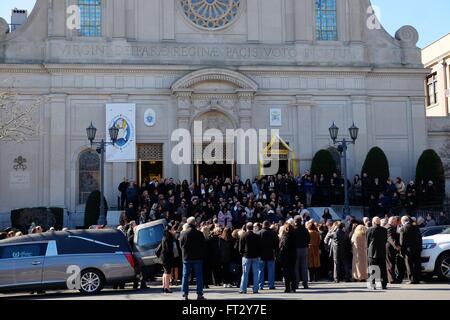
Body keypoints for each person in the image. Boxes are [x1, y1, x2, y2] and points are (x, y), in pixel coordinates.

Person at [179, 217, 206, 300]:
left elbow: (181, 246)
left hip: (187, 257)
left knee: (185, 276)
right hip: (197, 257)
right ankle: (199, 294)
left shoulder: (183, 233)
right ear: (194, 223)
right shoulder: (199, 233)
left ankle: (185, 293)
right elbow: (203, 246)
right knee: (199, 276)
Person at [239, 222, 261, 294]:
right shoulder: (257, 236)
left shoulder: (243, 235)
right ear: (252, 228)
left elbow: (240, 248)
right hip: (255, 256)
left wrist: (242, 254)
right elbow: (259, 247)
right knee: (255, 274)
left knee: (245, 274)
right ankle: (255, 289)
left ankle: (243, 289)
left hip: (246, 256)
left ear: (246, 227)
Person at [399, 216, 423, 284]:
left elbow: (402, 241)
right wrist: (420, 248)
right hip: (417, 248)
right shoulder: (416, 227)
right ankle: (417, 279)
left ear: (403, 221)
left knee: (409, 265)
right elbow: (420, 238)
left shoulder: (403, 228)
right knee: (417, 264)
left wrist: (401, 251)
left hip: (408, 250)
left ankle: (411, 279)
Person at [366, 217, 388, 289]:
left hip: (372, 251)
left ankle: (372, 284)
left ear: (374, 222)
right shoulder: (384, 230)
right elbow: (385, 240)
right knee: (383, 269)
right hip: (381, 251)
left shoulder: (369, 230)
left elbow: (367, 241)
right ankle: (384, 284)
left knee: (372, 268)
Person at [258, 220, 279, 290]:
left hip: (261, 254)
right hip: (270, 253)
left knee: (260, 270)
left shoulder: (259, 233)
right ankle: (271, 285)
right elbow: (276, 244)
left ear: (263, 225)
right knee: (271, 270)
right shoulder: (273, 233)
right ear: (269, 225)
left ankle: (260, 285)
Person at [279, 223, 297, 293]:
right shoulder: (295, 235)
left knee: (286, 272)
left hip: (286, 256)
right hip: (293, 255)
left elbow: (282, 247)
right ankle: (293, 287)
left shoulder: (284, 236)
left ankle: (287, 288)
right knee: (292, 271)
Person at [294, 215, 310, 289]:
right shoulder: (305, 229)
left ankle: (296, 283)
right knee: (304, 268)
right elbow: (308, 239)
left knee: (296, 268)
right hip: (304, 249)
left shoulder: (294, 230)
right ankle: (305, 284)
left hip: (296, 249)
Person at [386, 216, 402, 284]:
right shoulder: (389, 227)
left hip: (390, 247)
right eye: (395, 222)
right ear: (392, 222)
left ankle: (391, 278)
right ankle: (392, 279)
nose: (396, 223)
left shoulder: (388, 226)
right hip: (390, 247)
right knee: (391, 263)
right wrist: (396, 246)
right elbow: (390, 238)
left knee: (390, 263)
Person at [161, 225, 175, 294]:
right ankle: (167, 288)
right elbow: (169, 249)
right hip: (167, 257)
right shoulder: (169, 237)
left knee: (165, 272)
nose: (173, 230)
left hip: (163, 257)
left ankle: (164, 287)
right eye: (172, 229)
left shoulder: (164, 236)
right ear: (169, 230)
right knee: (168, 272)